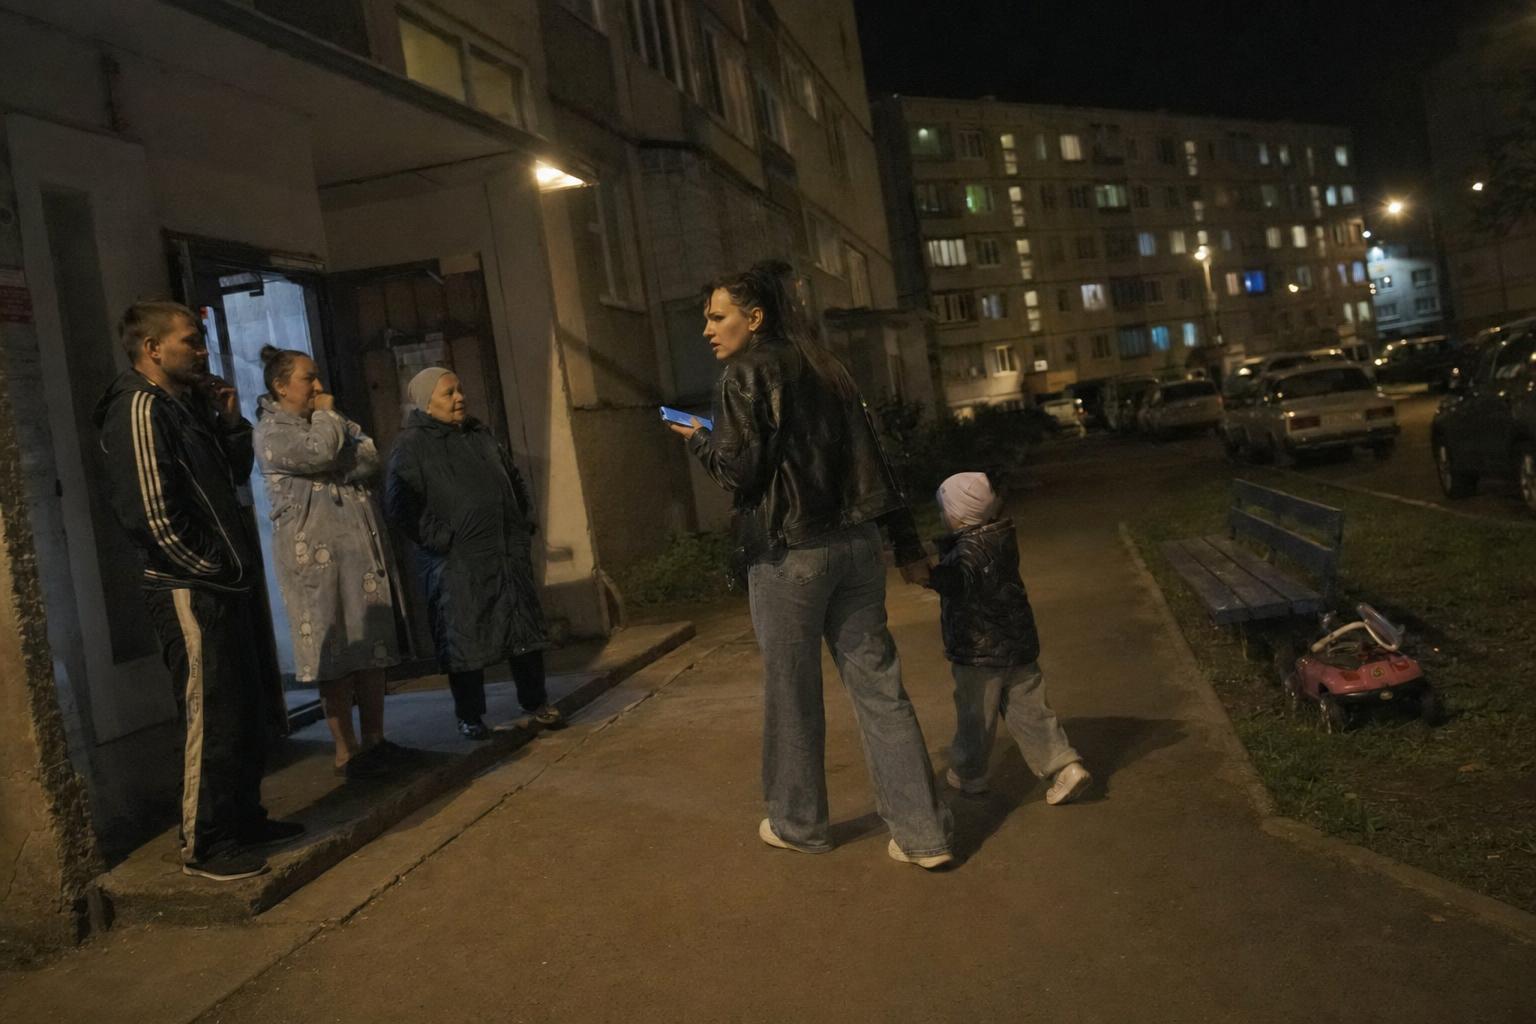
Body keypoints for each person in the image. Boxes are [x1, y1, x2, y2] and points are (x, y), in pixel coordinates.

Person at [669, 261, 954, 870]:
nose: (707, 330)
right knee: (880, 690)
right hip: (856, 547)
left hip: (789, 554)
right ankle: (924, 834)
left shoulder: (744, 373)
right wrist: (906, 546)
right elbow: (875, 464)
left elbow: (739, 473)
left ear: (755, 318)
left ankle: (800, 824)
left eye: (717, 317)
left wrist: (698, 438)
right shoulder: (829, 368)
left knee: (792, 695)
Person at [94, 300, 303, 882]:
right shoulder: (138, 407)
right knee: (210, 714)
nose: (202, 349)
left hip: (222, 584)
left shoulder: (183, 406)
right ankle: (206, 844)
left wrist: (229, 421)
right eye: (190, 340)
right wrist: (211, 568)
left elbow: (232, 476)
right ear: (152, 348)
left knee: (243, 709)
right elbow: (152, 516)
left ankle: (243, 821)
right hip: (189, 588)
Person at [384, 368, 564, 740]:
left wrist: (523, 521)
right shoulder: (412, 446)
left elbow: (513, 478)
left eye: (460, 389)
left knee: (522, 629)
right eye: (448, 393)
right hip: (458, 564)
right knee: (464, 638)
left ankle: (536, 702)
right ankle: (470, 716)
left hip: (505, 554)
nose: (459, 398)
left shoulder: (479, 434)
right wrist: (442, 540)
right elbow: (402, 506)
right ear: (427, 403)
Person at [254, 346, 404, 780]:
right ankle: (345, 750)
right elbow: (320, 452)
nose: (319, 387)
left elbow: (368, 456)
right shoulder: (270, 432)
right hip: (314, 567)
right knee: (332, 653)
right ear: (281, 386)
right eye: (308, 378)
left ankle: (376, 740)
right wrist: (330, 427)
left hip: (357, 553)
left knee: (370, 647)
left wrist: (332, 437)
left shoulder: (328, 419)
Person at [925, 472, 1091, 805]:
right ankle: (1065, 767)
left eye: (944, 509)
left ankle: (969, 773)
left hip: (979, 652)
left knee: (975, 715)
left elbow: (959, 580)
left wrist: (928, 576)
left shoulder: (969, 550)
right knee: (1031, 712)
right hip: (1017, 644)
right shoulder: (998, 538)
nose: (942, 515)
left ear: (959, 513)